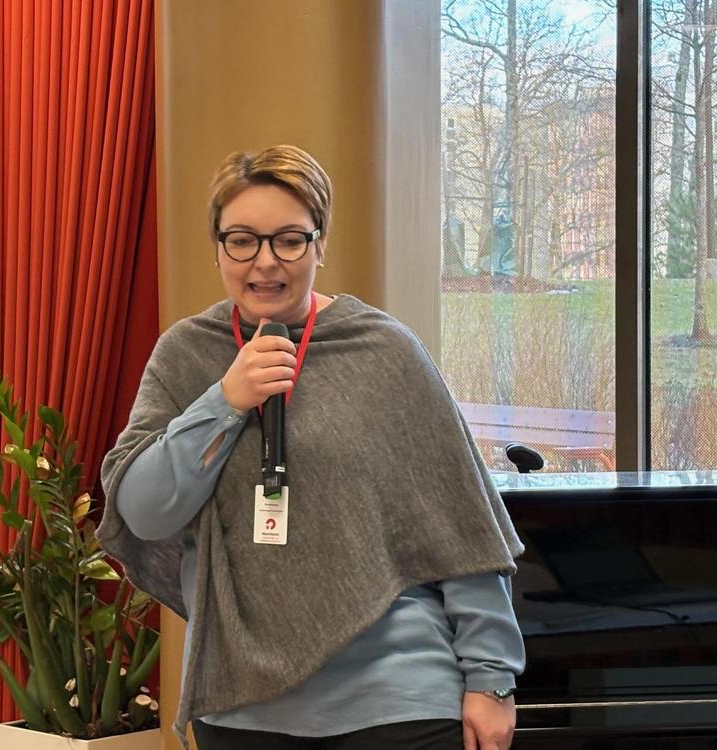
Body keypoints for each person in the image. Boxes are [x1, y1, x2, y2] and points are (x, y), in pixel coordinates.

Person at [98, 145, 526, 750]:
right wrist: (225, 401)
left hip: (398, 698)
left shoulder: (385, 351)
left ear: (320, 245)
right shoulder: (186, 353)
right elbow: (144, 512)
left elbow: (462, 528)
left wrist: (492, 678)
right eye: (241, 240)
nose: (265, 261)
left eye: (290, 240)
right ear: (218, 248)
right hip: (243, 706)